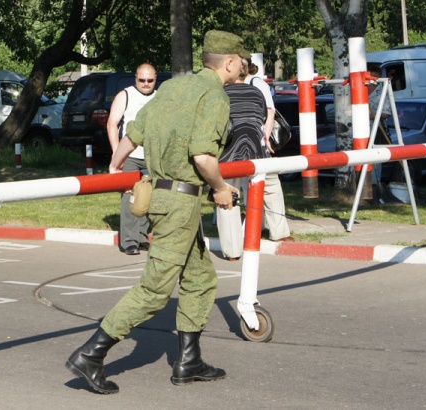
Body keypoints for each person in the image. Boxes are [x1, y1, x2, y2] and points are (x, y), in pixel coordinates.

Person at [65, 29, 247, 394]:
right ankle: (91, 354)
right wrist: (222, 189)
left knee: (199, 279)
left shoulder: (173, 87)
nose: (241, 67)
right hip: (181, 201)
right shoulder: (214, 96)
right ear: (229, 62)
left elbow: (133, 136)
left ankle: (188, 360)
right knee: (155, 289)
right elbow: (203, 157)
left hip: (166, 198)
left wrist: (115, 171)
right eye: (241, 62)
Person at [217, 59, 267, 260]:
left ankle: (232, 251)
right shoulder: (257, 93)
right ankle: (252, 237)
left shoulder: (223, 94)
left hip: (230, 152)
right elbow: (262, 118)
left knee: (228, 199)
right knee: (255, 196)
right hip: (255, 151)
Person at [107, 63, 157, 255]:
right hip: (130, 156)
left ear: (155, 78)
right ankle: (128, 241)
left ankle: (143, 237)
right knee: (129, 196)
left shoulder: (159, 97)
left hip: (152, 157)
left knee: (148, 197)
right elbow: (112, 124)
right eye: (141, 80)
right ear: (135, 78)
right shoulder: (125, 95)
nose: (146, 84)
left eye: (150, 80)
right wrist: (116, 152)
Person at [245, 58, 294, 242]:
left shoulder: (231, 83)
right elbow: (270, 111)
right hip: (258, 143)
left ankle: (251, 229)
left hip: (240, 142)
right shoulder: (257, 83)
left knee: (246, 186)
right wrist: (265, 137)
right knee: (271, 186)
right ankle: (278, 232)